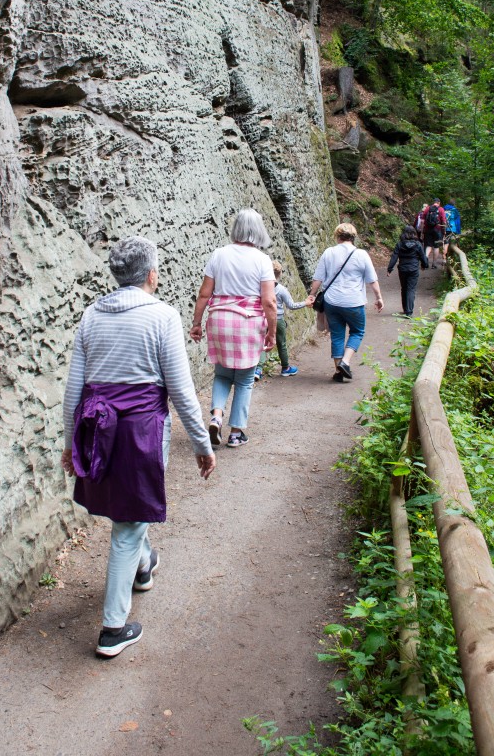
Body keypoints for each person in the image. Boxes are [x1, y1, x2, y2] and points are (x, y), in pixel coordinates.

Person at [61, 237, 216, 659]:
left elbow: (74, 388)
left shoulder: (91, 316)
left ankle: (144, 568)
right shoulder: (162, 316)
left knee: (130, 512)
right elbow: (182, 390)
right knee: (128, 524)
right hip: (140, 432)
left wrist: (68, 441)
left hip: (97, 429)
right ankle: (113, 628)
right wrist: (202, 443)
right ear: (151, 275)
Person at [190, 209, 277, 449]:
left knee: (222, 374)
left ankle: (216, 416)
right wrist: (272, 331)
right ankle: (236, 433)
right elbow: (269, 301)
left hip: (219, 320)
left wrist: (197, 323)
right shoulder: (262, 260)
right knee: (245, 379)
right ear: (258, 230)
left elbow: (204, 293)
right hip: (248, 323)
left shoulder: (219, 254)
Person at [308, 222, 384, 382]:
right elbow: (372, 280)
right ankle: (345, 362)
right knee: (357, 331)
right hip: (353, 301)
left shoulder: (329, 253)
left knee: (337, 335)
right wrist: (378, 298)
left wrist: (312, 294)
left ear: (337, 236)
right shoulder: (361, 254)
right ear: (353, 237)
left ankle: (338, 371)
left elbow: (318, 277)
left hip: (332, 301)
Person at [255, 261, 314, 379]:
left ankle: (258, 370)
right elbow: (291, 305)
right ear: (280, 274)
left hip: (263, 319)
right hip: (278, 320)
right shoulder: (281, 290)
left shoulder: (261, 287)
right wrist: (305, 303)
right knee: (281, 344)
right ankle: (285, 368)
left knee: (261, 343)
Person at [387, 225, 428, 318]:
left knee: (404, 288)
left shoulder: (400, 244)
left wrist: (390, 268)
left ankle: (405, 309)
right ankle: (409, 311)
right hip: (413, 269)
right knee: (411, 289)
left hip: (402, 269)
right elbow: (422, 256)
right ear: (414, 234)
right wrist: (424, 265)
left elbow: (394, 257)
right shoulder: (418, 244)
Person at [424, 198, 447, 268]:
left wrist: (423, 230)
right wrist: (444, 231)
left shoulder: (427, 208)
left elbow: (424, 218)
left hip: (428, 230)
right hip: (437, 230)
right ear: (439, 203)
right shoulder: (441, 209)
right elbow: (443, 221)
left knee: (428, 246)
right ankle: (434, 264)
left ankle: (425, 258)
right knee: (436, 247)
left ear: (433, 202)